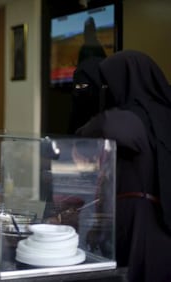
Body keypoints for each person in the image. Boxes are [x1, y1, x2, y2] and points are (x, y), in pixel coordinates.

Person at [76, 50, 171, 281]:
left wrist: (83, 128)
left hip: (143, 227)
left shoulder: (140, 118)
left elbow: (107, 125)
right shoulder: (160, 114)